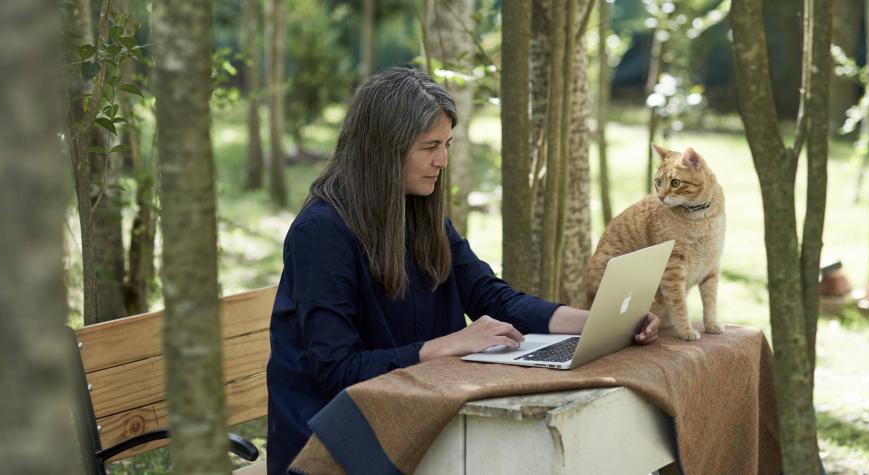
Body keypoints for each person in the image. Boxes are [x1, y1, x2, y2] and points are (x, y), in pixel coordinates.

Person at [265, 67, 661, 475]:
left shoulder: (418, 211)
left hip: (415, 420)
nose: (442, 160)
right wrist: (446, 344)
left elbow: (493, 298)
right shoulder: (322, 233)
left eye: (447, 144)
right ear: (383, 148)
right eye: (429, 146)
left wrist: (597, 322)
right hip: (333, 446)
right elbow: (336, 369)